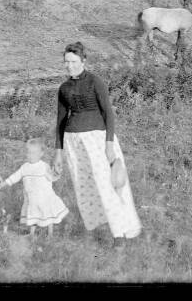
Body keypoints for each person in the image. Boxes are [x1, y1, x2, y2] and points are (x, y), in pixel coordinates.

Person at [53, 42, 141, 245]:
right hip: (74, 142)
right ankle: (100, 226)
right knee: (85, 187)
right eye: (66, 62)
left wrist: (109, 144)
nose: (69, 65)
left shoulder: (95, 81)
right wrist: (58, 152)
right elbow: (60, 120)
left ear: (83, 60)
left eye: (73, 61)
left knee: (108, 185)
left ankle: (120, 233)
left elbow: (108, 113)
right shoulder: (63, 88)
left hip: (97, 139)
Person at [0, 138, 69, 237]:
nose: (30, 155)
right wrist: (5, 182)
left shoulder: (44, 166)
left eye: (34, 153)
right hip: (31, 198)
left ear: (41, 154)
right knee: (33, 214)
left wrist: (57, 172)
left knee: (48, 214)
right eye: (29, 153)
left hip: (45, 197)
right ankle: (31, 233)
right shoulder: (25, 167)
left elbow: (52, 177)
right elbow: (16, 176)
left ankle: (50, 234)